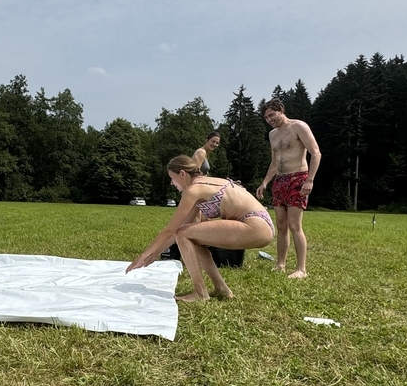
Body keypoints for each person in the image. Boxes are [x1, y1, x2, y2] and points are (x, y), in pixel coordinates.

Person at [126, 155, 274, 302]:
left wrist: (142, 257)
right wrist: (154, 254)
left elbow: (171, 230)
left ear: (182, 174)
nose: (171, 183)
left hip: (255, 226)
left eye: (172, 177)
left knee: (183, 233)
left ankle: (200, 293)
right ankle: (221, 288)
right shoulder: (205, 184)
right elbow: (179, 230)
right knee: (189, 236)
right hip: (261, 225)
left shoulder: (193, 190)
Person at [255, 98, 321, 279]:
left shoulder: (299, 126)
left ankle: (301, 269)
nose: (269, 120)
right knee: (281, 224)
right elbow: (274, 163)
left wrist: (310, 180)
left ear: (281, 110)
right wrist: (265, 182)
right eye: (266, 117)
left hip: (298, 178)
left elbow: (316, 153)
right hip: (280, 181)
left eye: (272, 115)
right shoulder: (272, 135)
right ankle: (280, 264)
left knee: (294, 224)